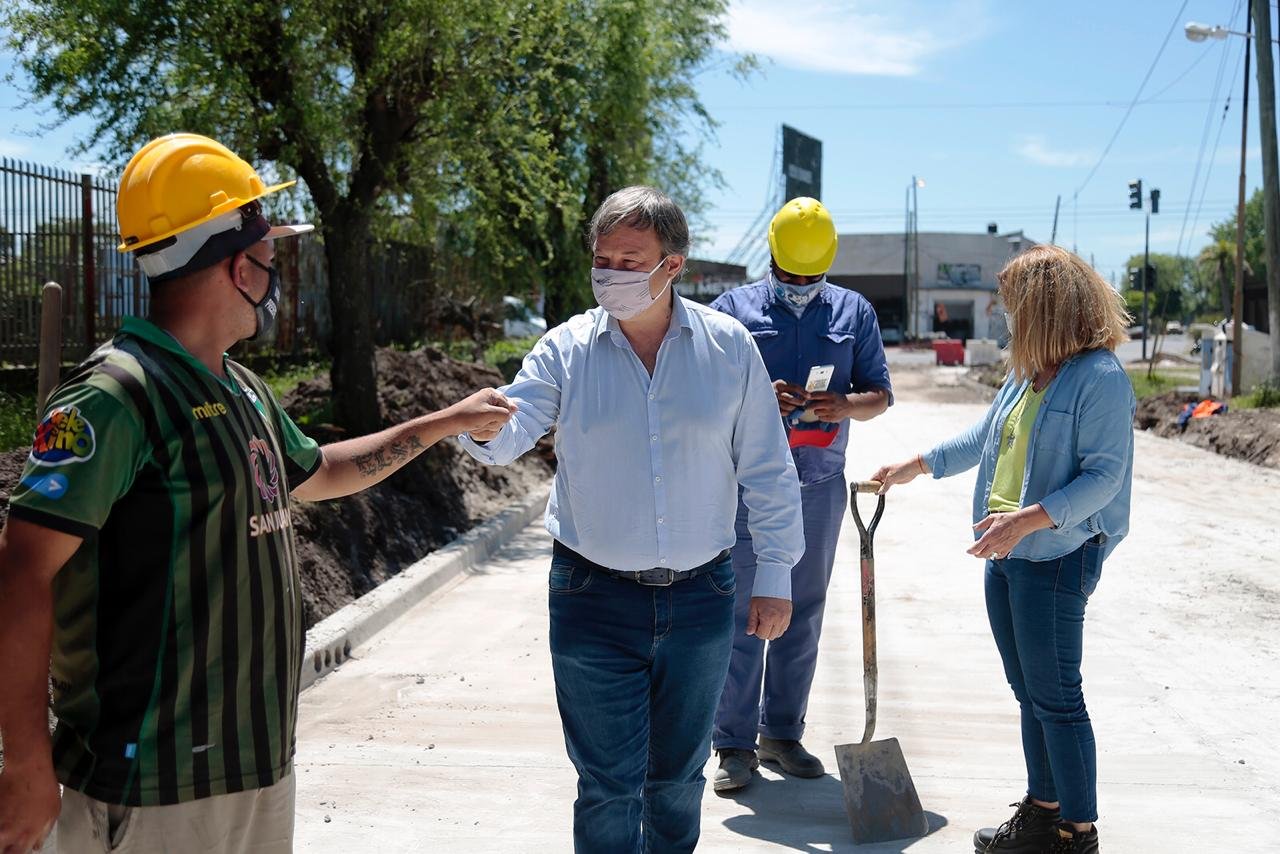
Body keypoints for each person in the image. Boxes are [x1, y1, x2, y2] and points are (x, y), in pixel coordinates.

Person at [0, 133, 516, 854]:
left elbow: (321, 473)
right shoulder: (115, 397)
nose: (278, 276)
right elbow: (21, 572)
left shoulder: (240, 387)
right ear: (238, 267)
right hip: (150, 790)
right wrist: (24, 763)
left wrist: (447, 422)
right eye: (272, 257)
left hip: (255, 773)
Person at [458, 185, 804, 853]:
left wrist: (778, 574)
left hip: (703, 599)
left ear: (672, 265)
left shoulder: (729, 348)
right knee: (607, 784)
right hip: (594, 598)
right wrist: (475, 425)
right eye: (603, 258)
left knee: (676, 781)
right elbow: (509, 431)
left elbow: (766, 467)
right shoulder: (566, 350)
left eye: (629, 259)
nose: (610, 273)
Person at [871, 244, 1135, 854]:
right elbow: (982, 439)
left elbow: (1105, 477)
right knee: (1030, 692)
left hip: (1058, 555)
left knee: (1059, 698)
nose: (1004, 315)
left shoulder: (1099, 377)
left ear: (1044, 306)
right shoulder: (1026, 373)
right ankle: (1043, 815)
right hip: (1008, 554)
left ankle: (1078, 833)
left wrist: (1028, 521)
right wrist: (917, 465)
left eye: (1013, 304)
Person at [707, 197, 891, 791]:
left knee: (802, 610)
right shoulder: (732, 310)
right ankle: (732, 744)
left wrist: (845, 405)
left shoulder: (853, 311)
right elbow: (701, 393)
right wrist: (759, 398)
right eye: (791, 276)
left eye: (812, 277)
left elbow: (879, 394)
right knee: (741, 611)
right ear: (772, 258)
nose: (801, 286)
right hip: (743, 487)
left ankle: (781, 733)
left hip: (817, 484)